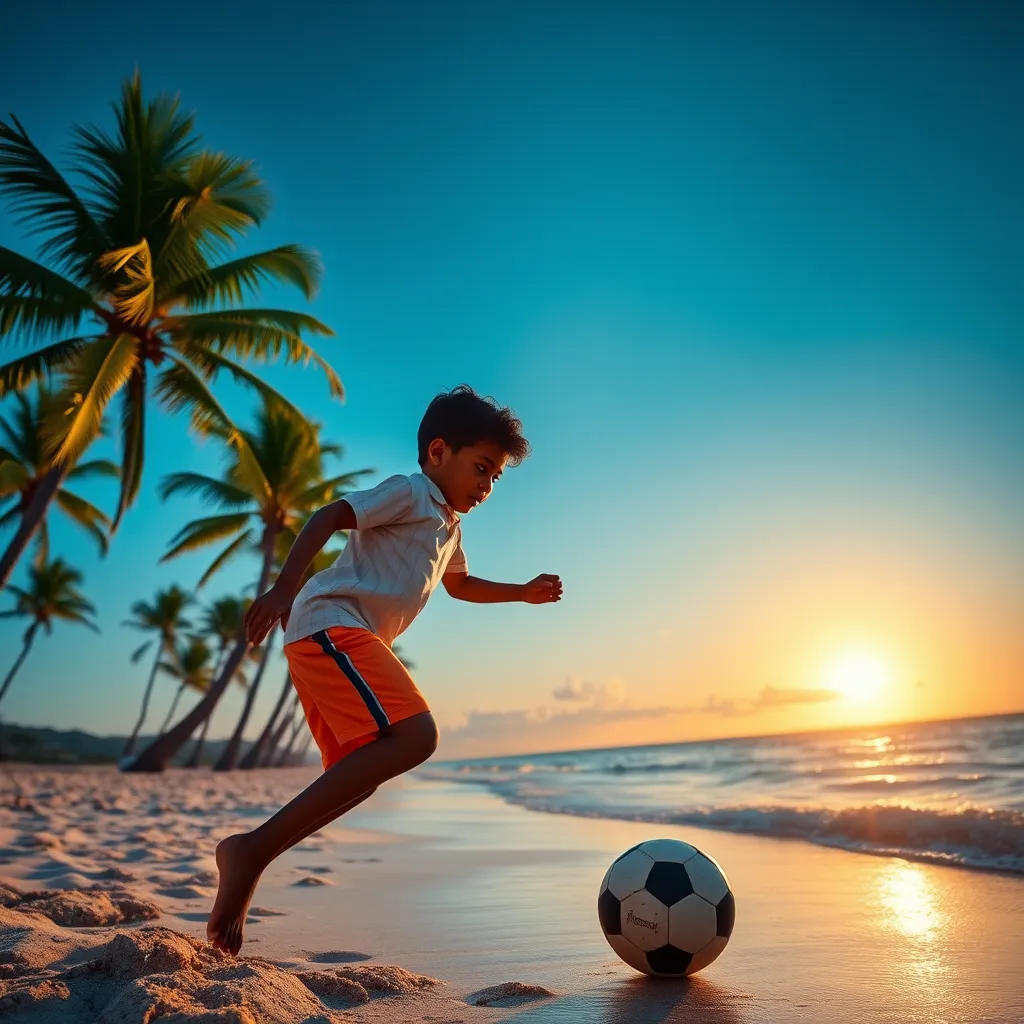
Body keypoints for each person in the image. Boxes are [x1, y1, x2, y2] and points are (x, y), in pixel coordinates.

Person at [207, 385, 563, 954]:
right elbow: (331, 515)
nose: (487, 485)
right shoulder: (411, 492)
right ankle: (250, 851)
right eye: (481, 468)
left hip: (346, 637)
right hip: (329, 621)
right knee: (417, 735)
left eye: (495, 477)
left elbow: (461, 586)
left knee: (362, 774)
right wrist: (282, 588)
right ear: (438, 452)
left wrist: (521, 593)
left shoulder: (450, 526)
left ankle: (252, 853)